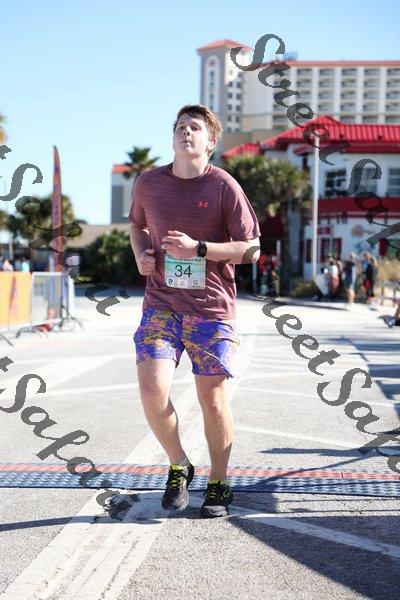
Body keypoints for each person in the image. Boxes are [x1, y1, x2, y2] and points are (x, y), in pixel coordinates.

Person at [129, 104, 260, 518]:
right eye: (180, 126)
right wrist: (141, 255)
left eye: (195, 128)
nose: (186, 132)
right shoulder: (149, 183)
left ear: (211, 142)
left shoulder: (224, 186)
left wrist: (198, 249)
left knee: (213, 399)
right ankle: (178, 465)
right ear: (173, 138)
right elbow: (136, 226)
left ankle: (219, 482)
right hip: (161, 305)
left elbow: (252, 250)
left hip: (210, 309)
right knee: (152, 390)